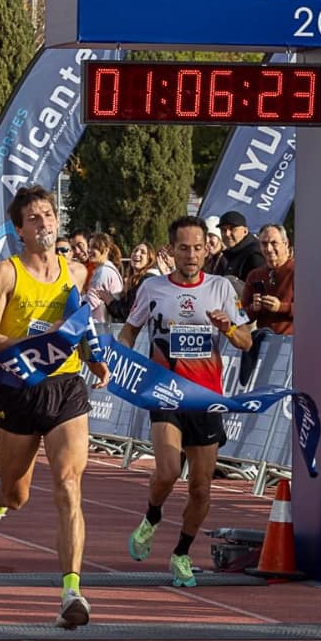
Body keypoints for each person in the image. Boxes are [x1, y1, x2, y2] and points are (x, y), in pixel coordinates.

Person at [0, 184, 111, 629]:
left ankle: (72, 590)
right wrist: (30, 342)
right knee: (18, 493)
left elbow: (79, 324)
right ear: (20, 230)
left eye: (49, 215)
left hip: (65, 387)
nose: (45, 223)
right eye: (34, 218)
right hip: (18, 386)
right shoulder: (6, 273)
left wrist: (92, 358)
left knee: (69, 483)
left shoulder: (75, 272)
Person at [118, 216, 252, 587]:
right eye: (184, 248)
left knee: (202, 488)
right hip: (166, 393)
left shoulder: (221, 287)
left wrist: (227, 326)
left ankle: (181, 553)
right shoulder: (153, 288)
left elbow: (245, 341)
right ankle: (152, 517)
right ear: (171, 250)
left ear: (207, 249)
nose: (191, 255)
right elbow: (130, 330)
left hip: (206, 398)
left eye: (198, 247)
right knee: (167, 472)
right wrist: (119, 359)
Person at [242, 224, 295, 336]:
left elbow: (312, 310)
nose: (269, 249)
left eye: (274, 243)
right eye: (264, 244)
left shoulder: (299, 272)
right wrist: (253, 308)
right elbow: (241, 315)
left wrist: (281, 307)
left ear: (285, 244)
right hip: (263, 341)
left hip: (291, 342)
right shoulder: (254, 275)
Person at [109, 243, 160, 322]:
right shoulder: (136, 280)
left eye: (143, 252)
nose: (137, 254)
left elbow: (130, 313)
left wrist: (109, 300)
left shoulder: (147, 280)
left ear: (149, 259)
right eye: (135, 250)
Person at [85, 232, 124, 324]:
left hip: (100, 325)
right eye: (89, 247)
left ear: (106, 250)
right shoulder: (106, 270)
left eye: (94, 247)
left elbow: (91, 302)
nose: (89, 250)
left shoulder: (103, 273)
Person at [218, 211, 266, 282]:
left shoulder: (254, 255)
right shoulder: (232, 253)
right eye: (223, 230)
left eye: (232, 229)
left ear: (245, 231)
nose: (227, 234)